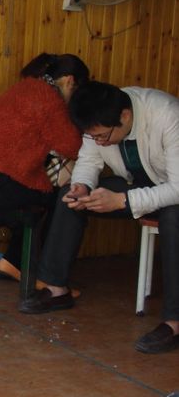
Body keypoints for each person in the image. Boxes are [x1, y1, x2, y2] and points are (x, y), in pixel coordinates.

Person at [19, 82, 179, 354]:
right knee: (70, 197)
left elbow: (177, 188)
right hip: (140, 187)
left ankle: (174, 322)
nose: (100, 142)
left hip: (173, 193)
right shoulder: (99, 121)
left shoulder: (167, 114)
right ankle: (56, 289)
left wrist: (122, 201)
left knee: (174, 217)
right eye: (93, 137)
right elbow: (89, 162)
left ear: (125, 117)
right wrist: (81, 185)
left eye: (104, 136)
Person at [0, 53, 90, 280]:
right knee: (62, 197)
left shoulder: (24, 88)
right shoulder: (51, 100)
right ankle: (44, 276)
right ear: (69, 82)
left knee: (36, 193)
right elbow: (73, 147)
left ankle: (13, 261)